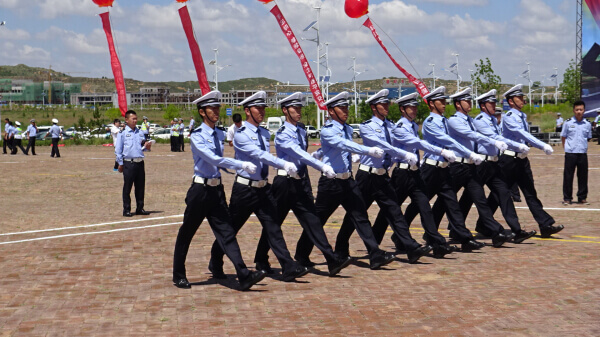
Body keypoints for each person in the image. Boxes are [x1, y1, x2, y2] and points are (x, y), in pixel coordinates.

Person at [209, 91, 309, 282]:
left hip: (263, 188)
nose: (261, 112)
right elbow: (260, 155)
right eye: (258, 108)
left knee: (273, 228)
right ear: (247, 111)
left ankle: (288, 266)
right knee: (231, 229)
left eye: (263, 108)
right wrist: (283, 164)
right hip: (245, 190)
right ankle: (215, 261)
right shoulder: (240, 135)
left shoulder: (264, 133)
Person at [172, 90, 266, 290]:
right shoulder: (197, 136)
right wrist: (240, 164)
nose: (216, 111)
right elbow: (213, 159)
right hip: (200, 190)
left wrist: (234, 168)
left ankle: (244, 274)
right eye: (212, 108)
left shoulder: (220, 133)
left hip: (217, 190)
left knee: (227, 232)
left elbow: (220, 164)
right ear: (202, 112)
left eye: (217, 108)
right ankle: (178, 274)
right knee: (187, 233)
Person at [295, 91, 397, 269]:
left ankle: (375, 254)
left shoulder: (348, 128)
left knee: (360, 216)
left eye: (346, 107)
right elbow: (343, 144)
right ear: (331, 111)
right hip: (331, 182)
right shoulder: (327, 130)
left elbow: (340, 149)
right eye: (341, 108)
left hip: (348, 180)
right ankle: (302, 254)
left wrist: (348, 156)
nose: (346, 110)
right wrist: (367, 151)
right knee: (319, 220)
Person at [253, 92, 352, 275]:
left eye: (299, 108)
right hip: (284, 184)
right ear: (285, 111)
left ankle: (331, 259)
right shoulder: (283, 134)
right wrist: (322, 166)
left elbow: (305, 156)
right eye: (294, 109)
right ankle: (261, 258)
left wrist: (319, 156)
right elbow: (300, 154)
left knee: (313, 221)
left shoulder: (300, 129)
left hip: (300, 183)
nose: (298, 112)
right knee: (275, 223)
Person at [335, 89, 432, 264]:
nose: (387, 107)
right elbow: (382, 145)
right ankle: (341, 248)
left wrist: (402, 157)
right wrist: (402, 153)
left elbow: (395, 147)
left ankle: (410, 247)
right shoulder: (367, 126)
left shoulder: (391, 126)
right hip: (367, 176)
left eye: (387, 103)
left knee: (394, 211)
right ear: (374, 107)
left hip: (383, 176)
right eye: (383, 104)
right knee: (356, 214)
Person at [371, 92, 458, 258]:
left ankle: (437, 243)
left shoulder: (411, 125)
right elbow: (418, 143)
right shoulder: (400, 127)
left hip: (414, 173)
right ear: (403, 109)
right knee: (390, 211)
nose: (414, 110)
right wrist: (441, 151)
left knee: (424, 206)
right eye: (411, 107)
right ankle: (374, 244)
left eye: (415, 107)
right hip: (401, 174)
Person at [401, 86, 486, 252]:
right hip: (431, 169)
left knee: (452, 203)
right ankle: (401, 232)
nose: (445, 104)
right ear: (432, 104)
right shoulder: (430, 122)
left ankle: (465, 238)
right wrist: (469, 153)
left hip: (445, 169)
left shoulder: (445, 121)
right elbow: (448, 141)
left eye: (445, 101)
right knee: (419, 204)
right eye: (441, 101)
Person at [431, 88, 513, 248]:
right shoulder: (454, 120)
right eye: (466, 101)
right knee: (445, 201)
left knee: (480, 199)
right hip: (456, 166)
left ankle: (495, 231)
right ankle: (432, 231)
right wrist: (493, 142)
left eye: (469, 100)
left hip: (470, 166)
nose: (469, 104)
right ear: (458, 104)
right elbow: (471, 135)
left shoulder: (470, 120)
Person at [487, 84, 564, 238]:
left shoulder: (521, 116)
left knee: (530, 193)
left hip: (521, 160)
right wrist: (542, 145)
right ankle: (484, 222)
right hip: (509, 160)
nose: (522, 100)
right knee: (499, 194)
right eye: (519, 98)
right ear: (511, 102)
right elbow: (522, 134)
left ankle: (545, 224)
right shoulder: (509, 117)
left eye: (522, 97)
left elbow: (524, 136)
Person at [464, 89, 536, 243]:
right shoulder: (479, 120)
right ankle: (456, 228)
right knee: (471, 198)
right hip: (481, 163)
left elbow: (501, 137)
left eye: (494, 102)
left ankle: (517, 231)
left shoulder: (493, 121)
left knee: (504, 194)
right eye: (490, 103)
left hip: (494, 163)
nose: (493, 105)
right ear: (483, 106)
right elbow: (494, 138)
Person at [115, 110, 151, 217]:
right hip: (129, 163)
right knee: (127, 187)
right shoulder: (122, 133)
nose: (135, 121)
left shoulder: (140, 132)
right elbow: (118, 150)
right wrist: (120, 164)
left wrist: (147, 148)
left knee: (140, 187)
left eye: (136, 118)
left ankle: (140, 208)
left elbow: (142, 148)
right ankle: (126, 209)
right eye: (133, 119)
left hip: (140, 163)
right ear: (126, 120)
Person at [561, 100, 592, 205]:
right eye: (577, 109)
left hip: (582, 153)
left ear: (584, 110)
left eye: (581, 109)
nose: (579, 111)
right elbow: (563, 137)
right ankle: (567, 198)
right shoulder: (568, 123)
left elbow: (588, 138)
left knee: (583, 176)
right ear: (574, 110)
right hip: (571, 153)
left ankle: (582, 197)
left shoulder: (587, 124)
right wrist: (566, 148)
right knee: (568, 176)